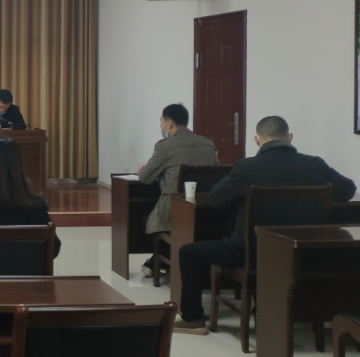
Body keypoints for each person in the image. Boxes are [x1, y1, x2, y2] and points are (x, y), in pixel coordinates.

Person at [173, 116, 356, 335]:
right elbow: (347, 191)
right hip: (300, 253)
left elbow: (217, 199)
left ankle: (193, 319)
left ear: (257, 140)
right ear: (289, 138)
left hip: (249, 252)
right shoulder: (315, 165)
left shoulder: (247, 167)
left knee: (188, 252)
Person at [138, 104, 218, 277]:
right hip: (204, 209)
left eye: (161, 122)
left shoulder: (164, 146)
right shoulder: (208, 144)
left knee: (146, 221)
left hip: (174, 208)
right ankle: (158, 261)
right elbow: (216, 172)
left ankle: (163, 259)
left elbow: (145, 177)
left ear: (170, 123)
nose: (161, 126)